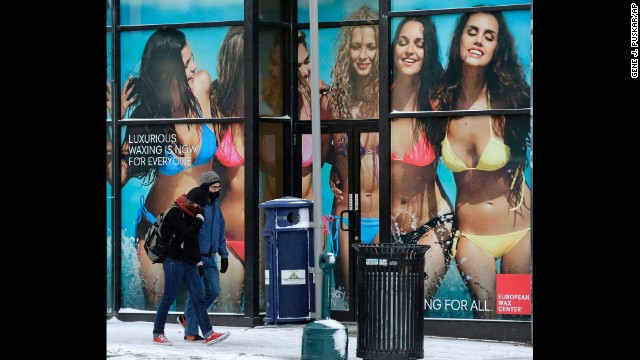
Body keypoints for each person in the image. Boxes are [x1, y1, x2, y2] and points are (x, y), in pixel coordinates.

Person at [429, 10, 531, 319]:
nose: (478, 41)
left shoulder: (510, 99)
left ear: (497, 48)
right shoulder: (439, 102)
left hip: (520, 232)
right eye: (472, 32)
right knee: (486, 322)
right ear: (460, 37)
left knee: (517, 319)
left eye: (489, 36)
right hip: (472, 238)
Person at [115, 28, 217, 309]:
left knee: (209, 300)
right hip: (158, 230)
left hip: (198, 230)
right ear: (168, 71)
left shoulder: (201, 86)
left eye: (192, 58)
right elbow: (119, 177)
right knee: (158, 310)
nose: (194, 66)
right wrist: (115, 121)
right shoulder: (149, 117)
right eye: (186, 64)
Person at [389, 16, 455, 303]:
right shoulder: (379, 100)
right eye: (403, 42)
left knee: (412, 308)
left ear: (428, 53)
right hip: (387, 230)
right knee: (389, 310)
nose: (409, 50)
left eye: (419, 44)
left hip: (432, 224)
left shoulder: (438, 103)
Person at [326, 4, 379, 298]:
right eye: (356, 47)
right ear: (347, 49)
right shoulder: (334, 103)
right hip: (347, 213)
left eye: (371, 47)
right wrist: (334, 169)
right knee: (350, 301)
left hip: (384, 214)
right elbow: (316, 152)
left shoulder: (389, 96)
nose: (363, 55)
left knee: (381, 299)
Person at [151, 187, 230, 346]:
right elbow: (186, 234)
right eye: (199, 205)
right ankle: (158, 333)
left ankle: (209, 333)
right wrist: (199, 220)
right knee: (169, 297)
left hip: (190, 263)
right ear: (192, 202)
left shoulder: (193, 214)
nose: (200, 209)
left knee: (199, 298)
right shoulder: (175, 213)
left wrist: (198, 262)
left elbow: (193, 242)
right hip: (174, 262)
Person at [209, 26, 246, 312]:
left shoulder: (274, 103)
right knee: (228, 317)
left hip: (266, 239)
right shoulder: (216, 105)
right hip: (227, 240)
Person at [176, 171, 229, 341]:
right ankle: (191, 332)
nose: (217, 190)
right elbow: (191, 233)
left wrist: (224, 254)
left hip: (211, 256)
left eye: (218, 187)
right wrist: (194, 256)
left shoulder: (216, 206)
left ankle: (187, 318)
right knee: (195, 294)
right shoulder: (197, 205)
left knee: (214, 290)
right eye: (214, 187)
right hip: (196, 257)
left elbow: (220, 231)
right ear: (206, 187)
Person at [296, 30, 333, 201]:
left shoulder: (315, 97)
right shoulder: (272, 108)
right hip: (280, 213)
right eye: (297, 66)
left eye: (307, 61)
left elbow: (321, 157)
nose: (304, 71)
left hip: (309, 210)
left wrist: (338, 169)